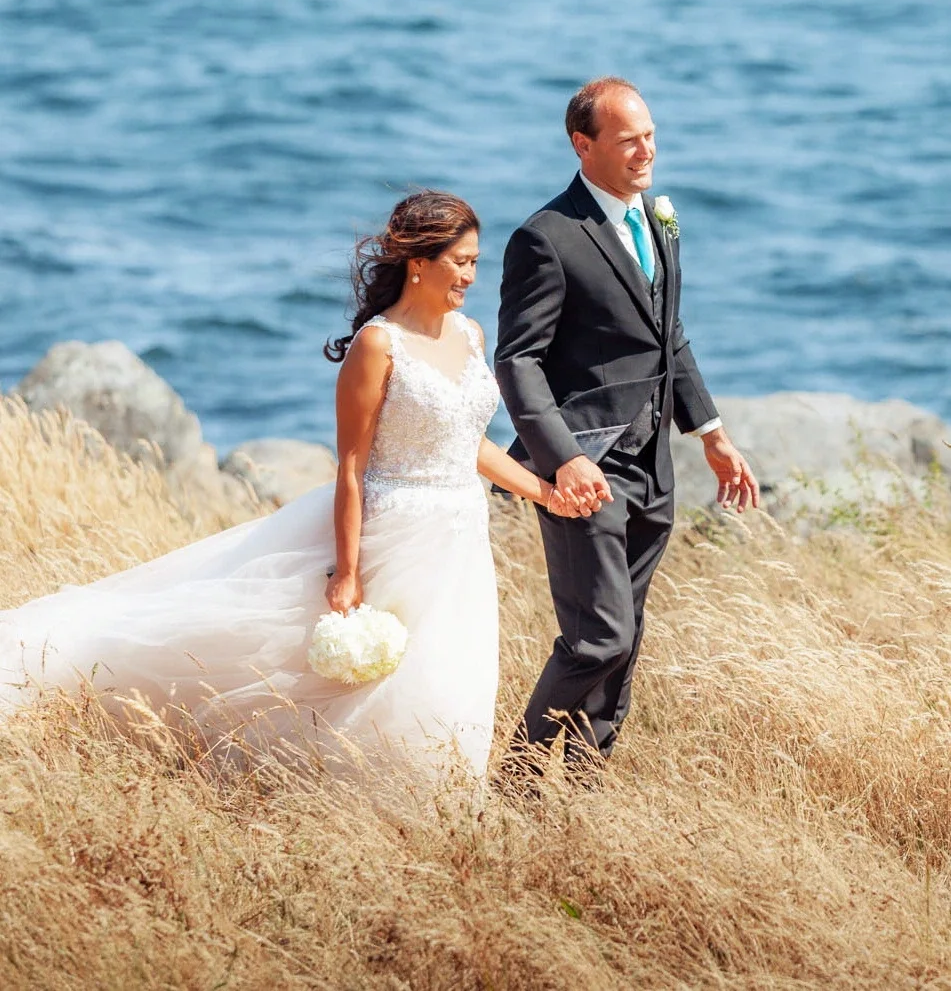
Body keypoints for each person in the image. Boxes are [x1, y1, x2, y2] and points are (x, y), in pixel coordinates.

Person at [0, 191, 577, 783]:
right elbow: (351, 467)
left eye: (475, 261)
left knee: (451, 670)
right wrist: (348, 571)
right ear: (418, 263)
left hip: (459, 537)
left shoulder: (470, 335)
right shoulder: (378, 345)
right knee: (353, 675)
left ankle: (440, 799)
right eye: (459, 262)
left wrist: (543, 491)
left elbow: (466, 442)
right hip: (392, 532)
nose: (470, 276)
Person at [495, 77, 759, 786]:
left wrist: (710, 430)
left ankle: (585, 784)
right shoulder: (545, 236)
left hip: (652, 465)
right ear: (583, 146)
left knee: (627, 636)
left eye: (649, 134)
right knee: (597, 635)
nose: (645, 150)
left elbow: (666, 334)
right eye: (627, 139)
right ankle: (515, 779)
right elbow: (515, 360)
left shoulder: (659, 221)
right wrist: (561, 459)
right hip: (585, 468)